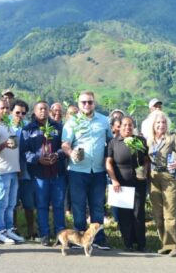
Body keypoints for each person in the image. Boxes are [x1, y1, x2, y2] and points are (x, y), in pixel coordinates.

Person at [61, 90, 113, 251]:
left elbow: (111, 141)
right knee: (78, 205)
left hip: (97, 171)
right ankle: (79, 238)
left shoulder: (104, 121)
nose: (87, 105)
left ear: (94, 103)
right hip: (77, 170)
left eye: (90, 102)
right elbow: (65, 144)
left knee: (97, 205)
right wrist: (71, 153)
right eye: (83, 102)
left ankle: (98, 239)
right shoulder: (72, 122)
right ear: (78, 104)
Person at [22, 100, 67, 246]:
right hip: (39, 174)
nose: (43, 111)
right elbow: (24, 152)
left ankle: (61, 235)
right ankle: (44, 234)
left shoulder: (58, 127)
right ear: (34, 112)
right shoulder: (28, 129)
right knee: (41, 205)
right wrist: (37, 159)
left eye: (45, 109)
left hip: (57, 173)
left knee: (59, 205)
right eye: (40, 109)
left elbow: (65, 147)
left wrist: (57, 155)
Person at [106, 116, 149, 252]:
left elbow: (147, 159)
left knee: (138, 213)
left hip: (138, 182)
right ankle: (128, 243)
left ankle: (141, 243)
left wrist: (145, 169)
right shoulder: (113, 142)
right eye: (124, 125)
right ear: (119, 127)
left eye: (130, 125)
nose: (127, 128)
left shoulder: (140, 141)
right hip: (121, 184)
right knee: (124, 215)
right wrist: (114, 180)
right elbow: (108, 162)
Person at [147, 110, 176, 256]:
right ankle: (165, 244)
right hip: (154, 177)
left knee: (170, 214)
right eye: (158, 122)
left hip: (169, 177)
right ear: (153, 125)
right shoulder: (149, 140)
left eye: (163, 122)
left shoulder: (173, 138)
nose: (161, 125)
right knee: (157, 214)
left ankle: (174, 246)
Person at [0, 97, 23, 244]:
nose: (5, 110)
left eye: (7, 108)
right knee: (2, 202)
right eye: (1, 108)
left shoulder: (9, 124)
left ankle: (9, 229)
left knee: (11, 203)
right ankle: (0, 231)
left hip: (13, 170)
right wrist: (4, 145)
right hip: (1, 171)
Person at [11, 99, 38, 241]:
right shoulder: (6, 127)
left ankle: (31, 231)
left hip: (26, 173)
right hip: (10, 172)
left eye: (23, 113)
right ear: (11, 112)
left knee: (28, 203)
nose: (20, 115)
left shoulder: (28, 128)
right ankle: (13, 229)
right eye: (17, 112)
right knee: (12, 203)